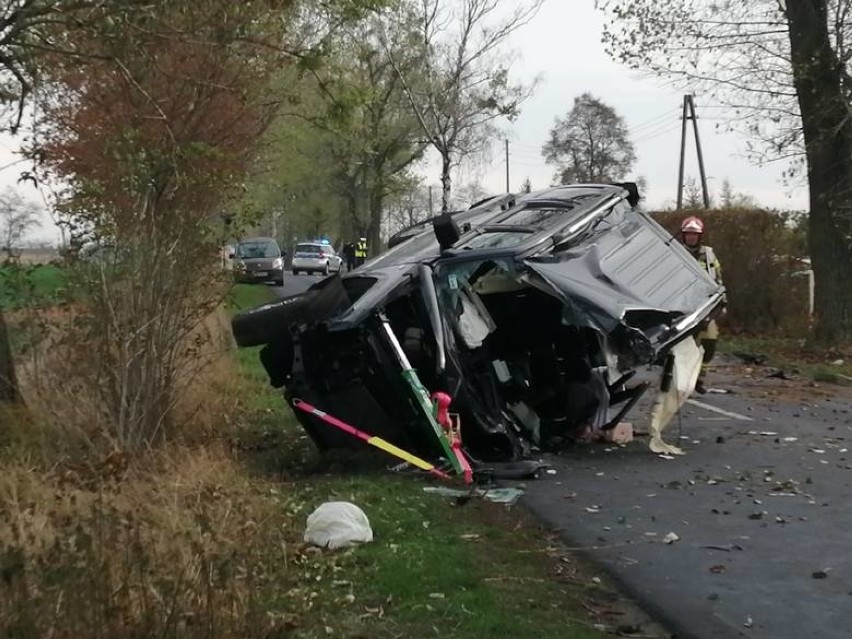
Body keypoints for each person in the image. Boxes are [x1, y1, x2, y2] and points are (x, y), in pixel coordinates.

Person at [680, 215, 725, 394]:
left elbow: (717, 278)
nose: (691, 237)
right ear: (683, 235)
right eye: (688, 234)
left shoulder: (708, 254)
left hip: (705, 305)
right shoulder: (675, 251)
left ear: (700, 236)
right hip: (682, 307)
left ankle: (699, 379)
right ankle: (683, 381)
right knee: (684, 346)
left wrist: (722, 302)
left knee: (710, 342)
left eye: (694, 234)